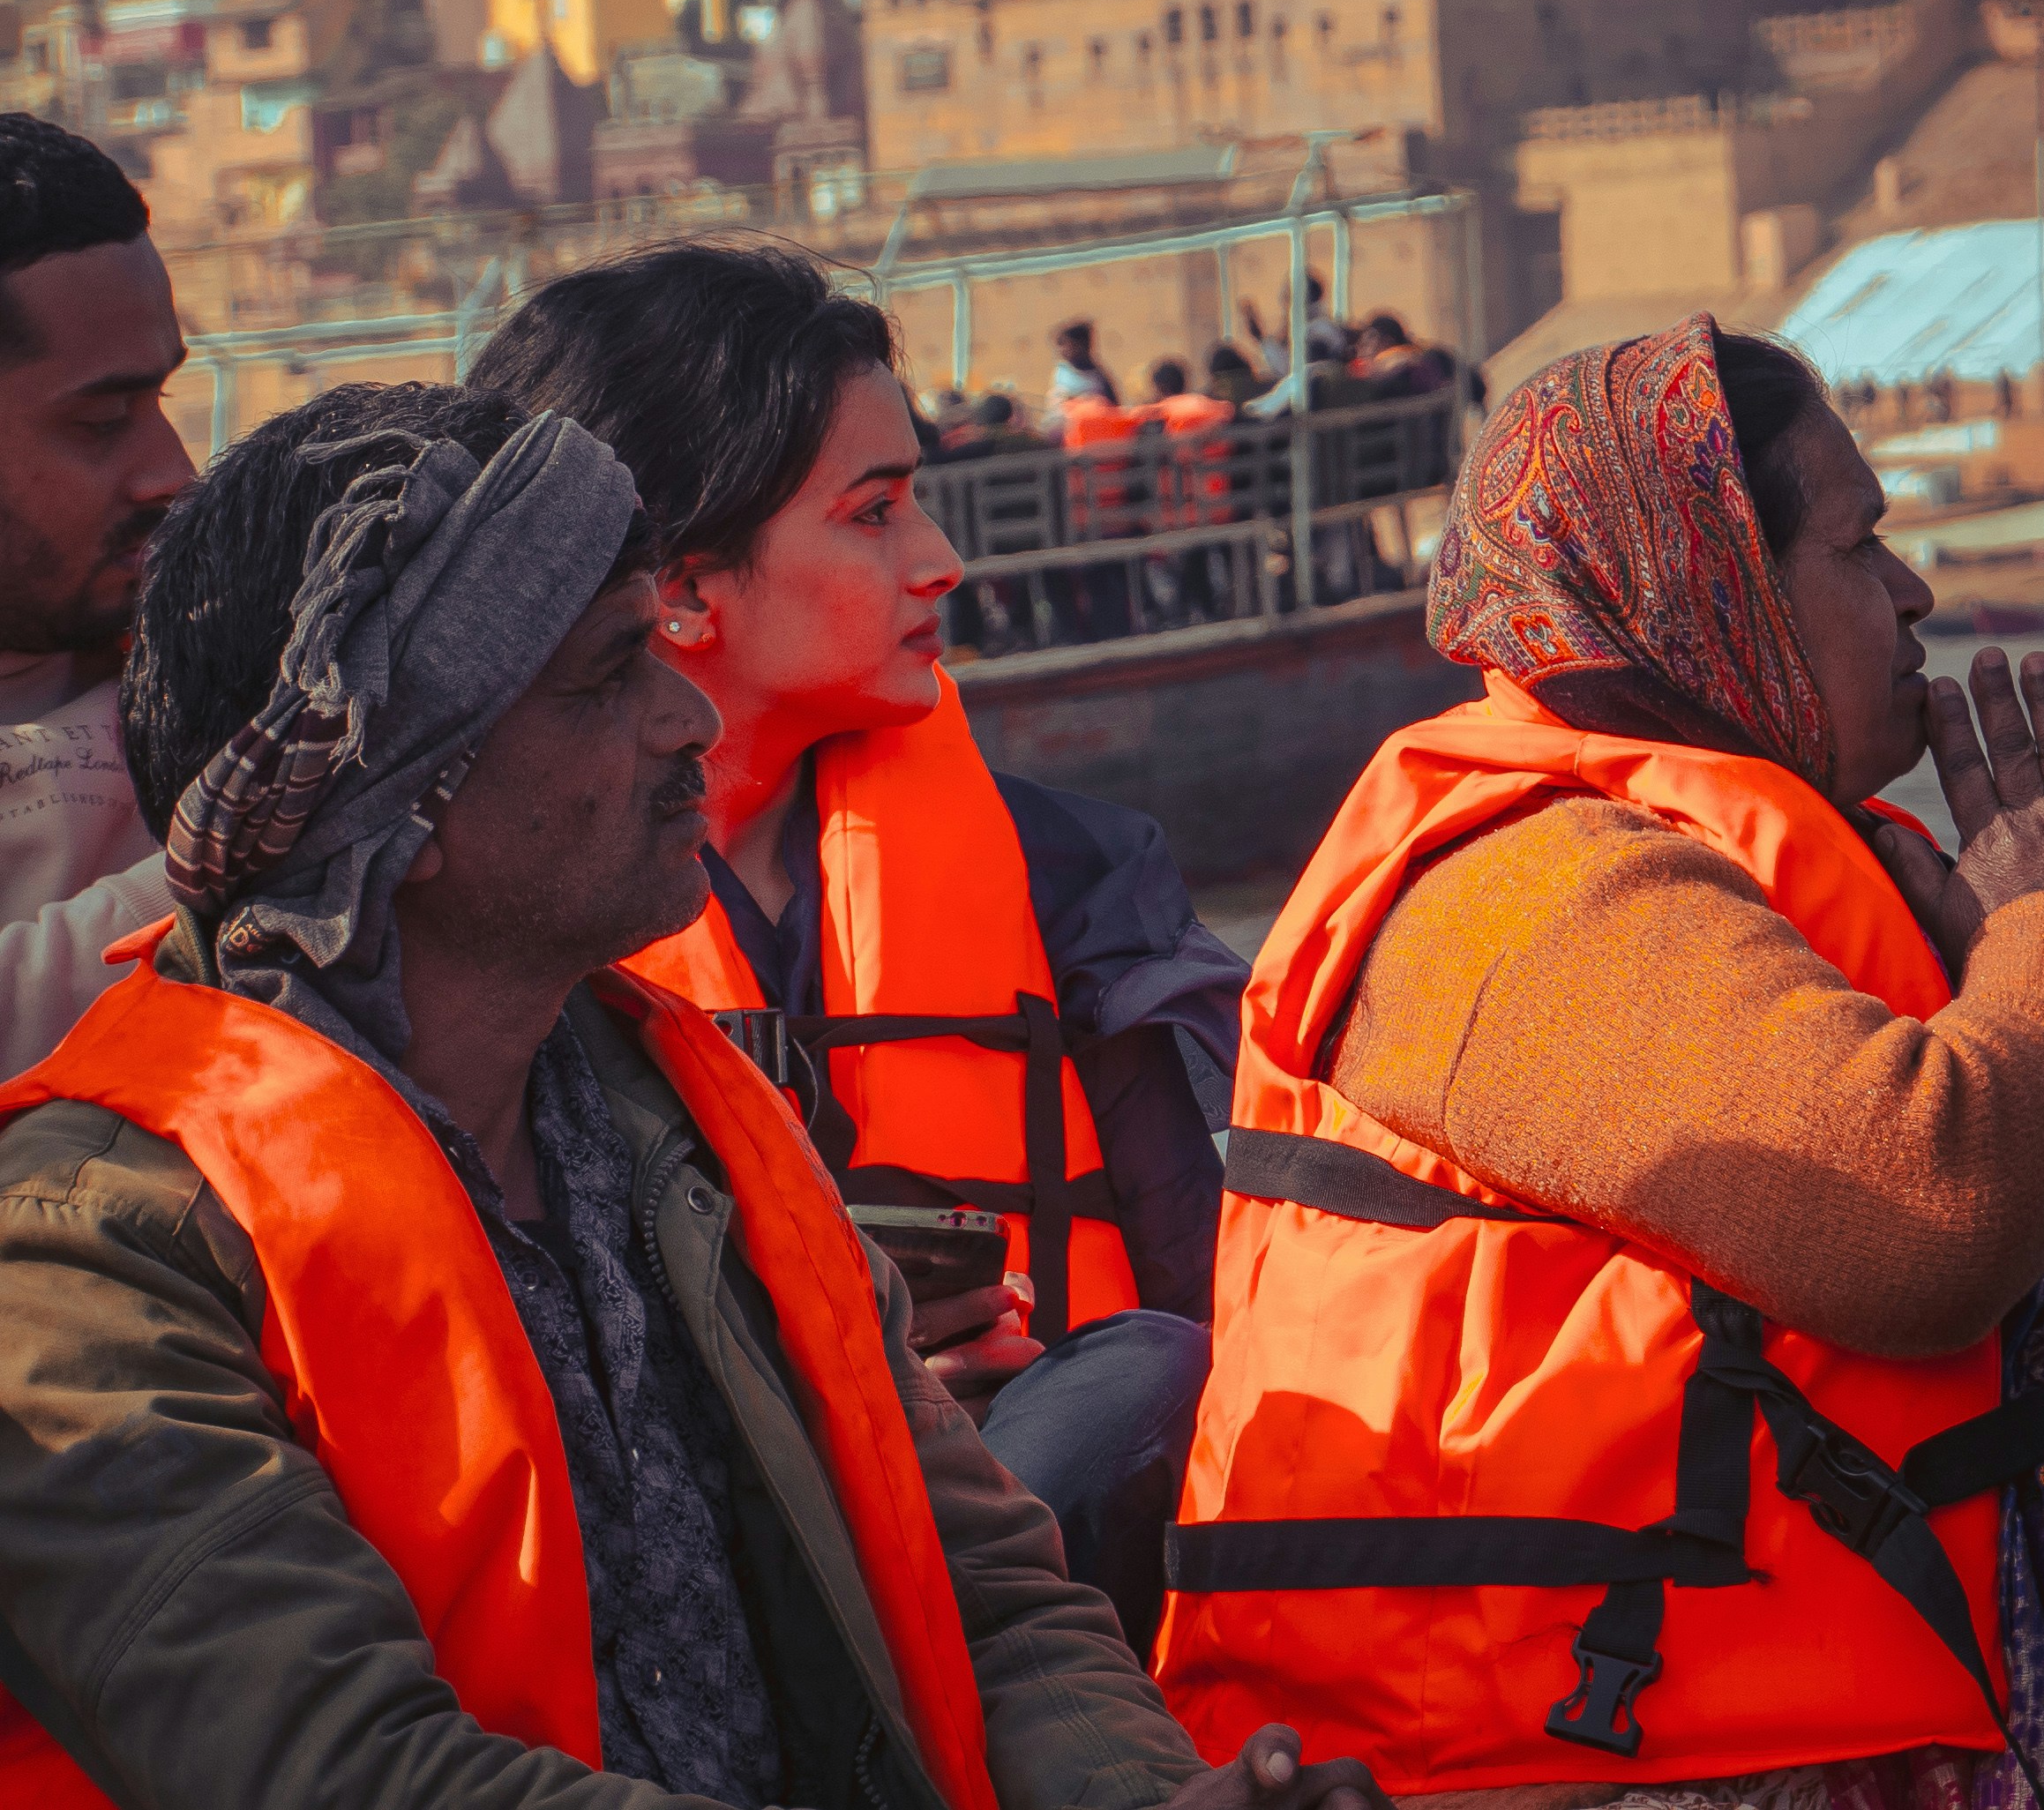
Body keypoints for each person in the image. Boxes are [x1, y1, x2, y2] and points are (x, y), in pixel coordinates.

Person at [0, 377, 1381, 1810]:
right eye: (605, 678)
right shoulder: (92, 1251)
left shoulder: (692, 1127)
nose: (684, 718)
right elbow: (341, 1769)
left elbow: (984, 1603)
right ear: (390, 814)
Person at [1157, 315, 2044, 1798]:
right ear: (1711, 586)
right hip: (1569, 1756)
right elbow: (1920, 1218)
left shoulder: (1788, 858)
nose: (1912, 593)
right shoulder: (1514, 893)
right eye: (1857, 545)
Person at [472, 243, 1250, 1654]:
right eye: (875, 512)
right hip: (660, 1594)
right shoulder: (478, 932)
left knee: (1150, 1367)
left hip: (1055, 1573)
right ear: (685, 593)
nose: (941, 560)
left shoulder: (1079, 879)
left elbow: (1238, 1296)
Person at [0, 114, 191, 1077]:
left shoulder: (226, 649)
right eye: (103, 420)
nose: (173, 470)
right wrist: (227, 877)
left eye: (162, 402)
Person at [1045, 318, 1119, 424]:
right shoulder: (1061, 372)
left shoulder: (1099, 378)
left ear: (1083, 345)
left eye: (1065, 344)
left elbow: (1113, 408)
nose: (1062, 350)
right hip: (1065, 427)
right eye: (1059, 345)